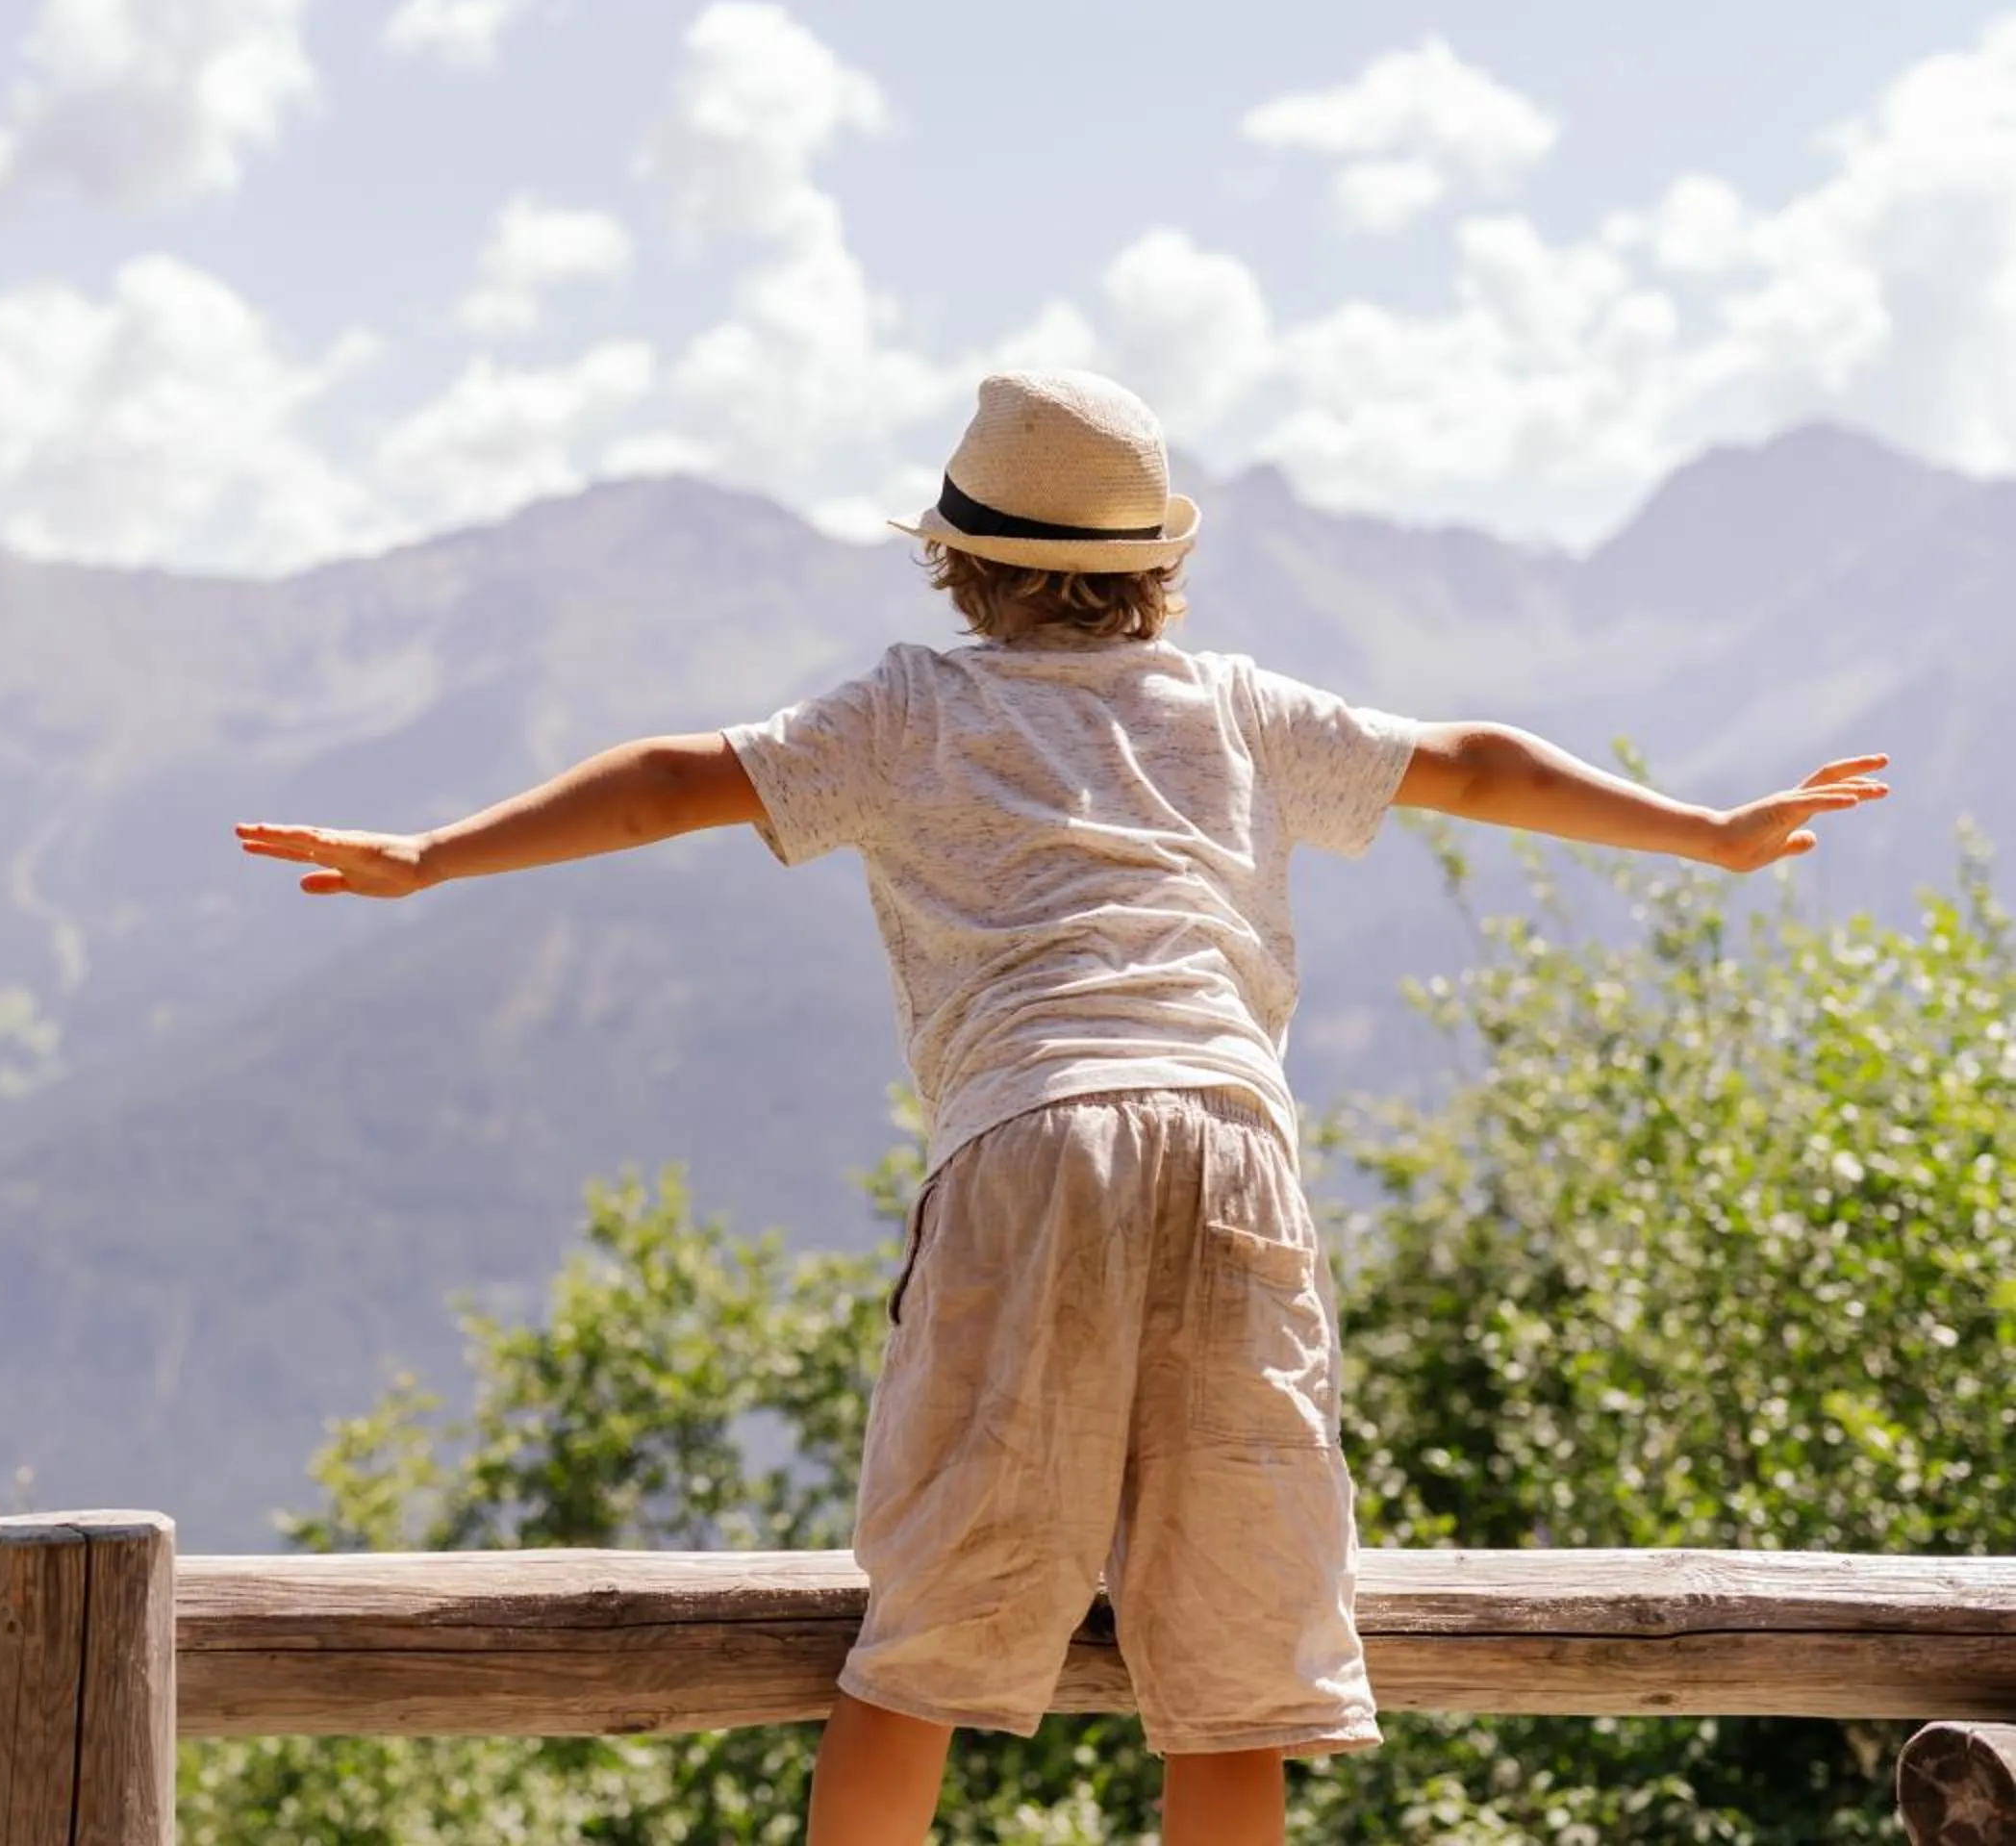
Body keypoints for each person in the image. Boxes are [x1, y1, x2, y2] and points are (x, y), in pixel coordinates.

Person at [234, 369, 1892, 1846]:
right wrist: (1712, 833)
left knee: (933, 1628)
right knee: (1237, 1662)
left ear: (953, 557)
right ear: (1156, 568)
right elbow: (1468, 758)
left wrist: (435, 854)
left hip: (1033, 1140)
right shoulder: (1241, 708)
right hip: (1235, 1144)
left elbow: (676, 777)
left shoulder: (908, 709)